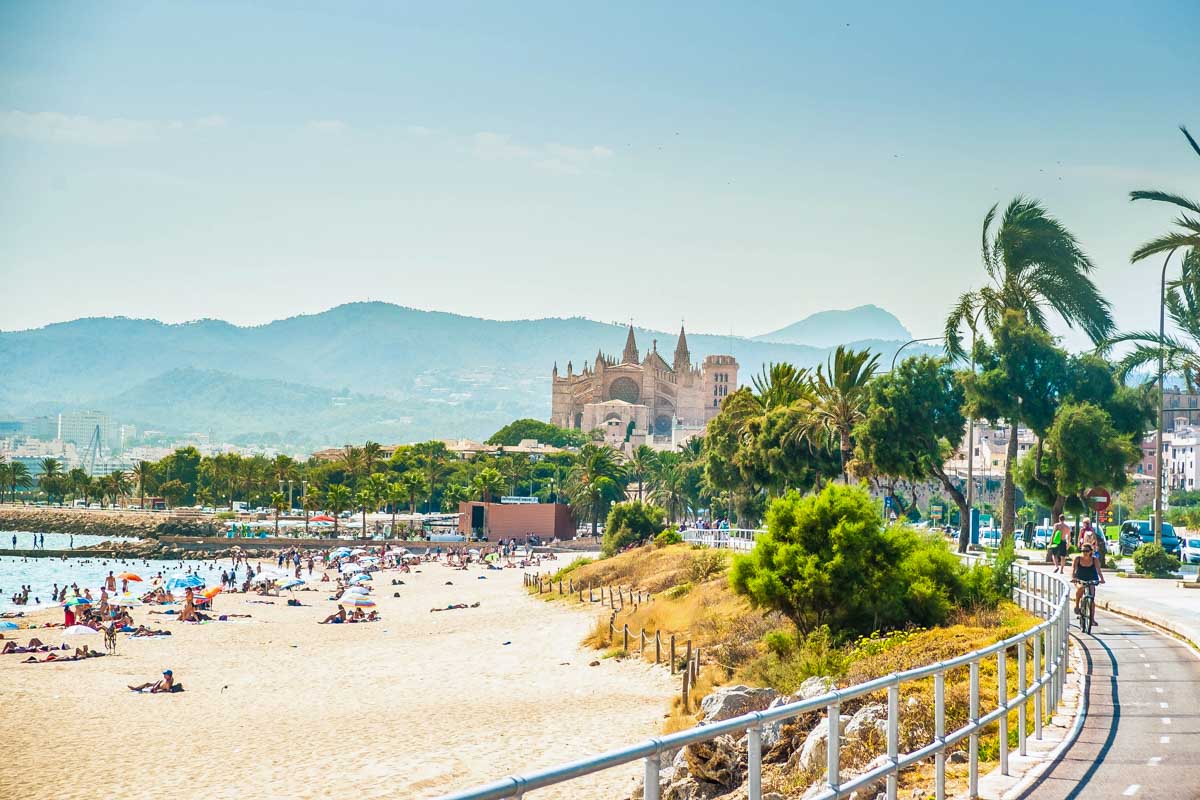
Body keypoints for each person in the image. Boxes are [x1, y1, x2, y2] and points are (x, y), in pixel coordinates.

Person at [1071, 542, 1105, 629]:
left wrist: (1102, 579)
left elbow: (1098, 570)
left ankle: (1092, 619)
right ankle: (1077, 605)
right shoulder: (1077, 559)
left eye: (1087, 551)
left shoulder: (1094, 560)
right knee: (1081, 588)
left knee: (1091, 598)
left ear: (1091, 551)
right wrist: (1073, 578)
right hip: (1080, 578)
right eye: (1083, 551)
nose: (1085, 552)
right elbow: (1073, 569)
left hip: (1091, 579)